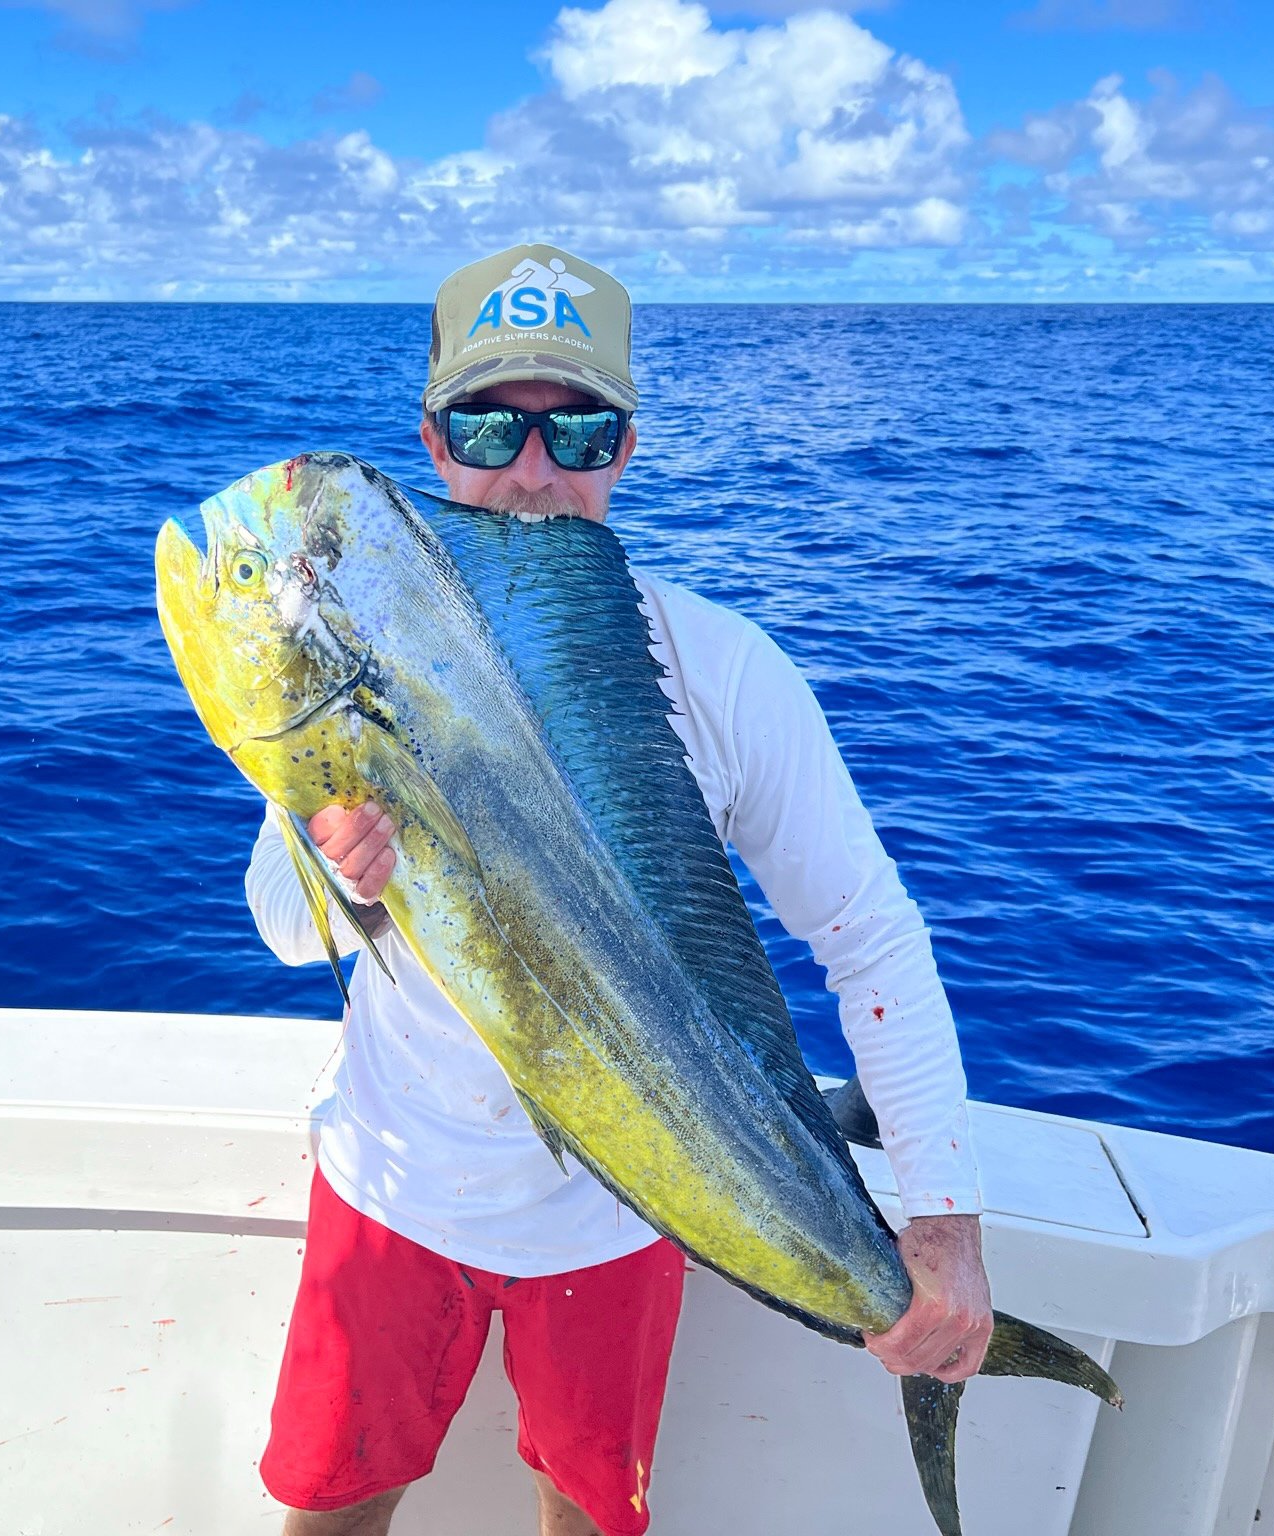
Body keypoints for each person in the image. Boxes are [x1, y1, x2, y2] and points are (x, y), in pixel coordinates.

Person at [245, 243, 991, 1536]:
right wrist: (328, 863)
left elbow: (868, 938)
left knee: (590, 1518)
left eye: (576, 430)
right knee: (328, 1509)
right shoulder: (355, 661)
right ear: (432, 440)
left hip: (624, 1214)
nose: (531, 471)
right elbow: (279, 929)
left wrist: (942, 1225)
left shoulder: (727, 669)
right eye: (492, 423)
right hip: (391, 1185)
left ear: (626, 449)